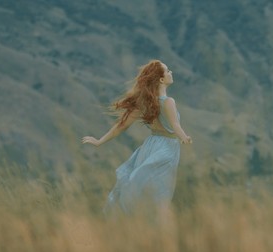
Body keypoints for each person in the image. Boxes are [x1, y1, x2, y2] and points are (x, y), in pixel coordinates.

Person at [82, 60, 192, 216]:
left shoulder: (145, 102)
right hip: (167, 147)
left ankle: (136, 220)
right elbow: (175, 126)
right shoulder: (169, 102)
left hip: (151, 145)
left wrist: (100, 141)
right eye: (167, 71)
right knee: (160, 192)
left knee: (141, 183)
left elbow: (122, 126)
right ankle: (155, 226)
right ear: (161, 79)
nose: (171, 73)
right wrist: (185, 138)